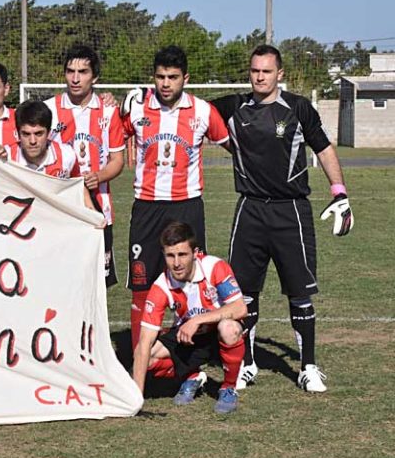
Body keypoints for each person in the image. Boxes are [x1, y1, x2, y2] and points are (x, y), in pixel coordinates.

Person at [212, 44, 354, 392]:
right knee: (243, 293)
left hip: (291, 210)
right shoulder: (232, 107)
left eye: (266, 71)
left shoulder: (299, 108)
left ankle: (307, 367)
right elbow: (190, 111)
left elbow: (323, 148)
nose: (259, 76)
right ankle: (246, 363)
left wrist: (339, 192)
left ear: (280, 74)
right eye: (254, 70)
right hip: (250, 208)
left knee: (300, 292)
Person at [120, 45, 230, 349]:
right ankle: (139, 356)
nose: (165, 83)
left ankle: (192, 363)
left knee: (193, 284)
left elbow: (233, 145)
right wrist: (113, 106)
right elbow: (113, 133)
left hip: (187, 207)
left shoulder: (203, 111)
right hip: (147, 208)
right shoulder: (139, 110)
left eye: (173, 77)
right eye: (160, 77)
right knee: (142, 285)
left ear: (186, 78)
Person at [133, 221, 246, 414]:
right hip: (189, 338)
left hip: (217, 332)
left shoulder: (214, 267)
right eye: (170, 255)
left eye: (182, 255)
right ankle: (193, 376)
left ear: (195, 253)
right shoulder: (161, 286)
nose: (176, 263)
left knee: (230, 328)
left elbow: (240, 308)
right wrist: (135, 398)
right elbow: (144, 342)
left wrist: (197, 320)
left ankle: (228, 388)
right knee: (146, 357)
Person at [44, 45, 125, 286]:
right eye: (70, 71)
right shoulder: (49, 109)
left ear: (95, 77)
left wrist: (99, 176)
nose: (75, 78)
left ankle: (95, 326)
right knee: (60, 275)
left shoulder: (109, 111)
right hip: (60, 207)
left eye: (83, 72)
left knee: (99, 280)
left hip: (99, 206)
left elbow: (117, 159)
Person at [0, 99, 78, 179]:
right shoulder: (5, 158)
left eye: (38, 134)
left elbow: (79, 188)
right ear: (17, 133)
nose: (32, 141)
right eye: (26, 134)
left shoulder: (67, 155)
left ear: (48, 133)